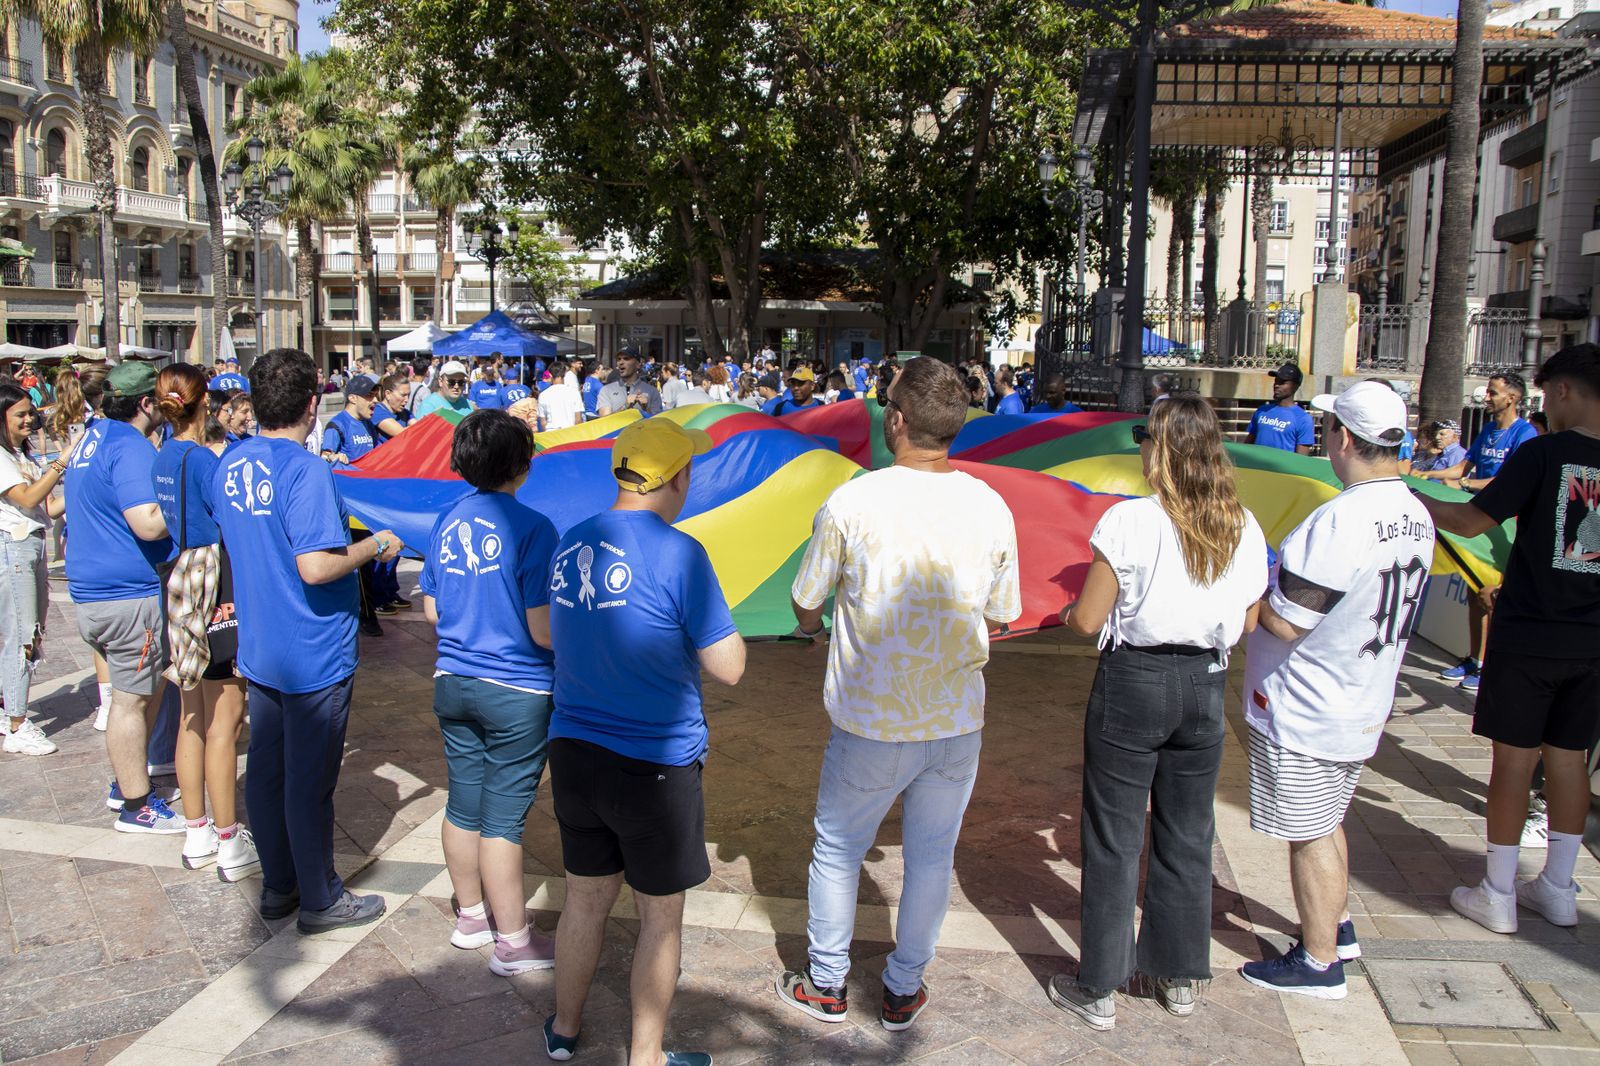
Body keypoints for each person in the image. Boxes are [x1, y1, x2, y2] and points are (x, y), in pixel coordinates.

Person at [776, 356, 1021, 1033]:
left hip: (870, 718)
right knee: (932, 856)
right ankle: (903, 988)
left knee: (837, 848)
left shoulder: (856, 500)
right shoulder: (990, 506)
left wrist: (815, 628)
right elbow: (1002, 613)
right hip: (954, 720)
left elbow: (805, 599)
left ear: (899, 419)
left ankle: (827, 982)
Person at [1046, 400, 1268, 1031]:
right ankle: (1177, 975)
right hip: (1205, 684)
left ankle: (1099, 985)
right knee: (1187, 834)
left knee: (1114, 837)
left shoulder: (1130, 522)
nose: (1140, 446)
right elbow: (1248, 620)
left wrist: (1063, 611)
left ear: (1163, 449)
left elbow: (1089, 618)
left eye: (1146, 436)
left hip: (1135, 681)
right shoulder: (1242, 526)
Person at [543, 418, 746, 1066]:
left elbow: (549, 633)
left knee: (583, 901)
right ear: (676, 477)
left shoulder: (573, 538)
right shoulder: (681, 553)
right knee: (660, 918)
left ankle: (563, 1031)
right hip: (655, 766)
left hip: (573, 753)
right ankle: (647, 1056)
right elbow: (731, 665)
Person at [1238, 381, 1433, 1000]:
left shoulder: (1345, 518)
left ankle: (1319, 960)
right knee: (1329, 817)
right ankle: (1337, 926)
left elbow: (1287, 619)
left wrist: (1245, 583)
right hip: (1358, 693)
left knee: (1310, 832)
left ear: (1343, 438)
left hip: (1311, 702)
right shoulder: (1415, 511)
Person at [1413, 344, 1600, 936]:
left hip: (1530, 635)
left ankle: (1497, 891)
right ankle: (1560, 888)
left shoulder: (1544, 453)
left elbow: (1471, 520)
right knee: (1569, 760)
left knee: (1513, 763)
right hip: (1592, 641)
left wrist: (1415, 499)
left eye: (1548, 395)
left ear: (1565, 391)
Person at [212, 348, 402, 931]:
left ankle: (279, 884)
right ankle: (320, 897)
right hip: (312, 647)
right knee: (309, 779)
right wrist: (377, 545)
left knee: (267, 771)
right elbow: (316, 565)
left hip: (262, 643)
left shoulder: (231, 464)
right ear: (313, 403)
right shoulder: (305, 469)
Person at [422, 410, 560, 975]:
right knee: (503, 819)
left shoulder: (447, 519)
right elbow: (542, 628)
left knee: (463, 802)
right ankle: (514, 940)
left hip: (452, 680)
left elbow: (431, 607)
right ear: (523, 466)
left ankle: (472, 917)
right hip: (518, 689)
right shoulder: (535, 528)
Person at [152, 364, 260, 881]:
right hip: (214, 587)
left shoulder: (163, 455)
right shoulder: (201, 460)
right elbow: (231, 520)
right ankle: (228, 838)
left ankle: (196, 829)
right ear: (204, 407)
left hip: (177, 586)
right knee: (226, 719)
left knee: (190, 712)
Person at [64, 362, 179, 831]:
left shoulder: (93, 438)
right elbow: (147, 522)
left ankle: (127, 781)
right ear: (146, 404)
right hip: (126, 597)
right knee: (130, 701)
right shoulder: (129, 446)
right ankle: (136, 804)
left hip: (93, 592)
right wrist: (187, 503)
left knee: (140, 691)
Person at [1414, 374, 1536, 691]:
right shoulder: (1488, 430)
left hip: (1503, 527)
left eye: (1493, 393)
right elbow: (1461, 470)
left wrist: (1465, 485)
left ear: (1511, 398)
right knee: (1474, 594)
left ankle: (1492, 666)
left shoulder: (1524, 434)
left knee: (1492, 596)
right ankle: (1475, 660)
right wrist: (1428, 474)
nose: (1487, 397)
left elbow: (1509, 483)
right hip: (1477, 519)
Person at [0, 384, 66, 756]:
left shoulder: (19, 455)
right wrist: (62, 462)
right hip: (13, 547)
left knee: (30, 632)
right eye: (20, 414)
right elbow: (26, 497)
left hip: (32, 544)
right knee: (23, 635)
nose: (30, 419)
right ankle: (18, 724)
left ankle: (7, 706)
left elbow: (48, 507)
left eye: (30, 413)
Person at [1246, 363, 1316, 454]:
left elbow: (1301, 460)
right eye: (1276, 381)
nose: (1276, 385)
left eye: (1282, 382)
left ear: (1295, 386)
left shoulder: (1303, 419)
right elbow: (1248, 444)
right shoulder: (1262, 410)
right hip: (1257, 468)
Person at [320, 379, 378, 465]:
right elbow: (324, 456)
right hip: (349, 477)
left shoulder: (369, 423)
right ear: (352, 398)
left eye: (375, 396)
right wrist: (333, 457)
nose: (375, 400)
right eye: (370, 395)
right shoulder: (337, 425)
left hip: (368, 476)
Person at [595, 348, 662, 417]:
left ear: (638, 364)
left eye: (626, 359)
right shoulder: (606, 390)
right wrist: (624, 407)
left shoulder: (652, 391)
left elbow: (657, 422)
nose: (621, 362)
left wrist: (645, 408)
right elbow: (603, 421)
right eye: (618, 359)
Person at [538, 363, 588, 431]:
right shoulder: (574, 393)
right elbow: (578, 419)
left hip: (551, 434)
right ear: (565, 374)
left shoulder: (543, 395)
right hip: (569, 433)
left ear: (550, 375)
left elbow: (543, 422)